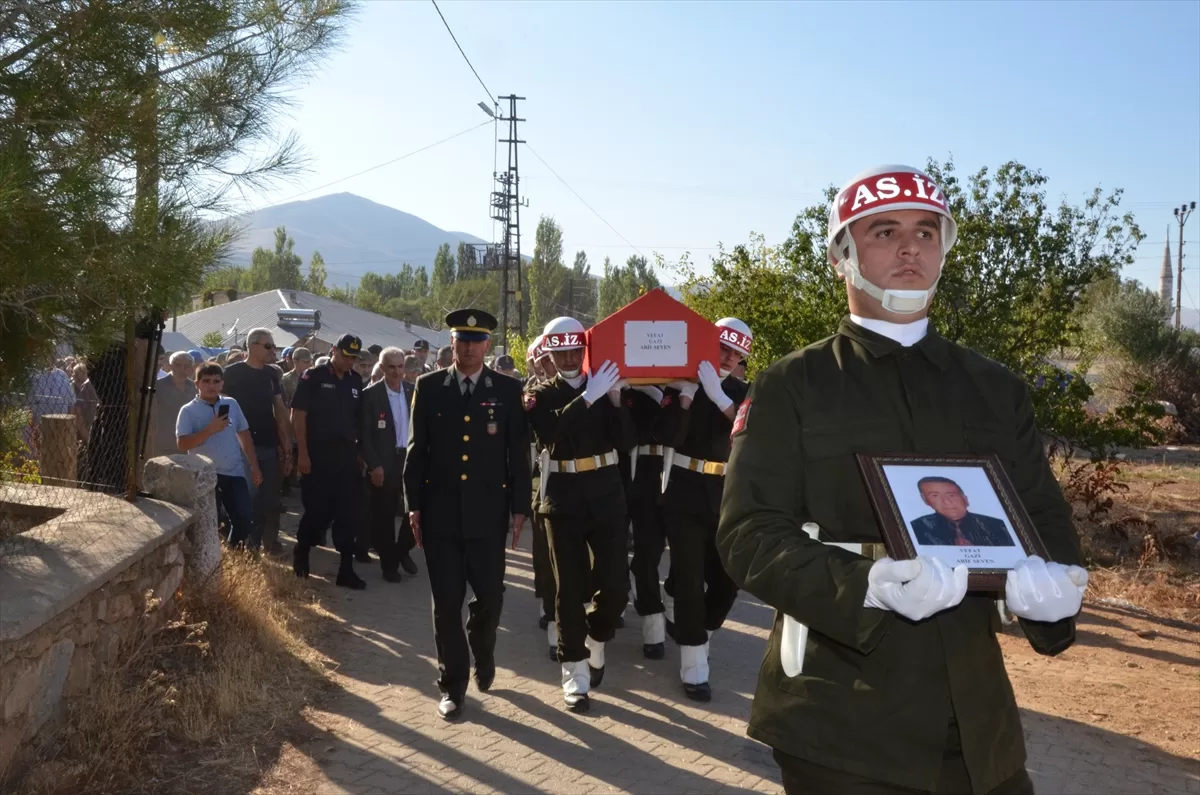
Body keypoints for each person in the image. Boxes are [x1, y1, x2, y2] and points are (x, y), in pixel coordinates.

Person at [717, 164, 1089, 795]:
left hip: (976, 721)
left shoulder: (994, 390)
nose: (910, 246)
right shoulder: (793, 386)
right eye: (884, 231)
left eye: (926, 231)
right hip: (841, 716)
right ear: (842, 255)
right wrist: (866, 585)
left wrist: (1057, 589)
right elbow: (749, 533)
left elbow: (1043, 517)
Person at [404, 309, 531, 721]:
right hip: (440, 514)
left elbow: (518, 454)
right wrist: (413, 505)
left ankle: (484, 647)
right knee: (446, 604)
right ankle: (452, 685)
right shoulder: (428, 386)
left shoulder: (508, 391)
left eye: (477, 341)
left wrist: (519, 508)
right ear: (452, 343)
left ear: (488, 346)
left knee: (490, 599)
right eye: (463, 339)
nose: (470, 347)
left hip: (488, 514)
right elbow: (416, 450)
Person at [524, 316, 633, 712]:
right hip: (563, 498)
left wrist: (617, 401)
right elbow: (551, 433)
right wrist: (588, 397)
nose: (569, 358)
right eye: (561, 352)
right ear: (549, 354)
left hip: (606, 493)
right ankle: (574, 673)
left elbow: (626, 442)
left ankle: (597, 638)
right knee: (568, 589)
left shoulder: (603, 385)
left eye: (575, 350)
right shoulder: (538, 394)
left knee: (617, 586)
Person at [657, 317, 753, 701]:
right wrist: (685, 396)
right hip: (684, 490)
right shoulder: (682, 385)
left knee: (729, 580)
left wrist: (721, 398)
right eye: (722, 349)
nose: (728, 358)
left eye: (736, 353)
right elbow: (665, 436)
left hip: (726, 493)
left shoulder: (747, 392)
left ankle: (700, 631)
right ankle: (694, 664)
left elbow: (749, 433)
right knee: (692, 579)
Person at [291, 333, 368, 589]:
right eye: (346, 355)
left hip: (346, 457)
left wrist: (360, 453)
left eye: (354, 357)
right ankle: (301, 552)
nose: (350, 361)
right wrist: (302, 453)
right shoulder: (313, 377)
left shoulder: (356, 381)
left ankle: (346, 569)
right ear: (334, 350)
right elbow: (299, 415)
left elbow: (359, 420)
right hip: (318, 455)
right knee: (317, 510)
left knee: (349, 514)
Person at [221, 328, 292, 553]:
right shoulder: (231, 373)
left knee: (265, 500)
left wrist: (287, 443)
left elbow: (279, 408)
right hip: (238, 446)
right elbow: (220, 408)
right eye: (268, 346)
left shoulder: (272, 374)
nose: (273, 351)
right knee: (244, 498)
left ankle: (253, 548)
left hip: (268, 444)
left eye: (273, 346)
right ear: (252, 346)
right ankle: (236, 546)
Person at [176, 363, 261, 546]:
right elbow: (183, 445)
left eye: (216, 381)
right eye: (206, 381)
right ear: (197, 383)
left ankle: (233, 556)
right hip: (206, 474)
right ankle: (214, 562)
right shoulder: (188, 411)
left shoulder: (231, 404)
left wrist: (254, 466)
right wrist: (210, 430)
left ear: (222, 384)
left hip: (234, 472)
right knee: (209, 525)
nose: (211, 386)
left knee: (244, 521)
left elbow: (244, 433)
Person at [359, 347, 419, 582]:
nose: (396, 372)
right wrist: (374, 465)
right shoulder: (370, 395)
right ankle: (389, 565)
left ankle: (401, 550)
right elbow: (364, 435)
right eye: (391, 367)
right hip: (384, 461)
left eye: (400, 366)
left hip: (409, 458)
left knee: (416, 507)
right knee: (383, 515)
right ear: (382, 368)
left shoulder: (413, 391)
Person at [622, 381, 670, 660]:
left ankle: (672, 606)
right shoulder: (631, 393)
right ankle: (652, 619)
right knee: (646, 553)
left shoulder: (689, 389)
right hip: (639, 473)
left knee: (683, 558)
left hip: (678, 477)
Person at [911, 476, 1014, 547]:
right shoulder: (917, 528)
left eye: (951, 495)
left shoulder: (998, 526)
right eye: (935, 496)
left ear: (965, 498)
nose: (946, 501)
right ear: (925, 500)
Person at [150, 352, 198, 458]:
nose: (182, 369)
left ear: (191, 368)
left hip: (188, 442)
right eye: (178, 365)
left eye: (186, 366)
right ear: (170, 366)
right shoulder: (158, 387)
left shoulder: (195, 387)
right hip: (164, 442)